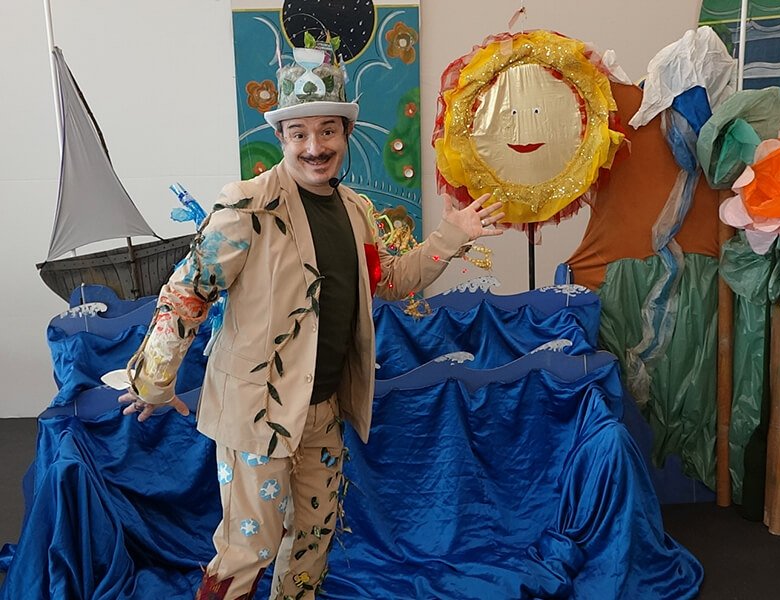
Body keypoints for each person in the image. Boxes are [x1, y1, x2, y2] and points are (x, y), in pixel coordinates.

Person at [119, 39, 504, 600]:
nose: (314, 146)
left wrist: (452, 237)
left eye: (327, 131)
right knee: (247, 551)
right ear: (282, 138)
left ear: (346, 135)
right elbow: (188, 290)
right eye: (298, 133)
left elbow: (389, 281)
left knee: (313, 541)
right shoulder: (247, 205)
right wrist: (153, 379)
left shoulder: (357, 211)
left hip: (323, 410)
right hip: (256, 411)